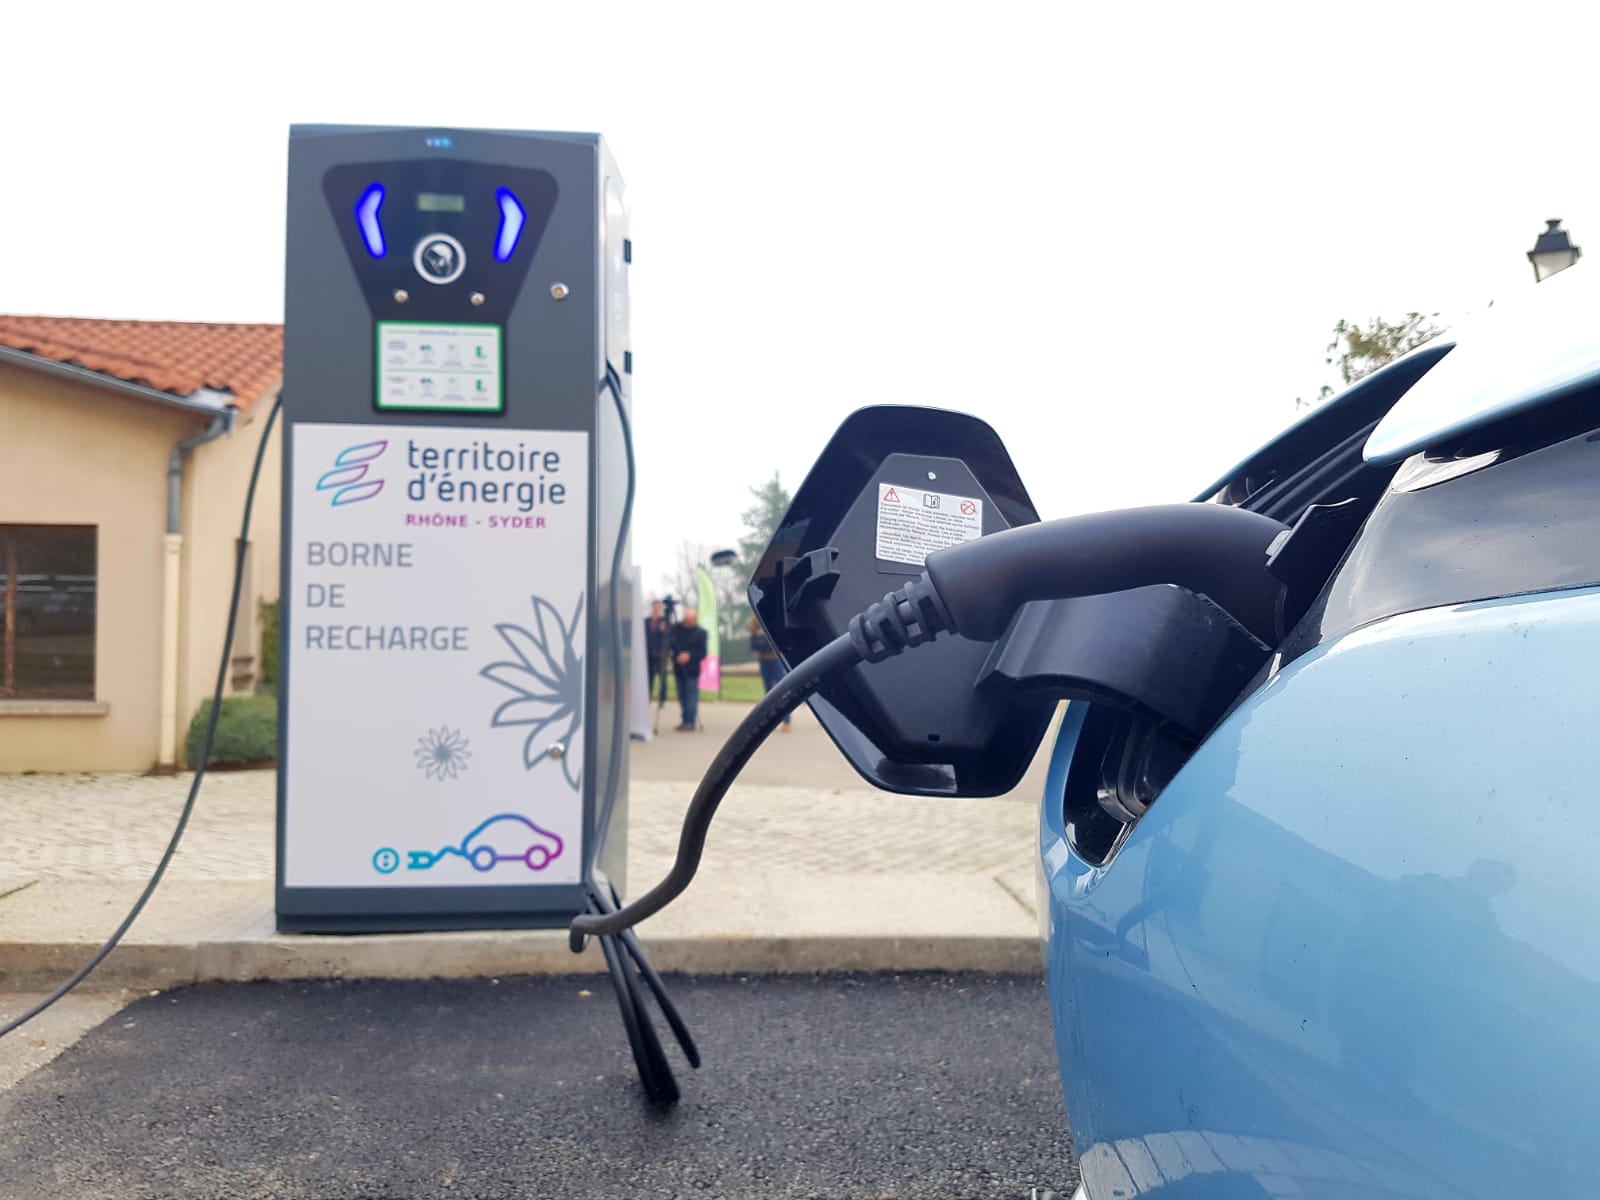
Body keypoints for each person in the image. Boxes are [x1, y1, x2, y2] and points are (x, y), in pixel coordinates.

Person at [751, 614, 791, 731]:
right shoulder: (755, 620)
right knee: (768, 692)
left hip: (775, 659)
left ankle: (786, 720)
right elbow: (753, 643)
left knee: (781, 691)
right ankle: (769, 721)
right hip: (764, 661)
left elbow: (779, 641)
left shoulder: (774, 617)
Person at [670, 609, 708, 731]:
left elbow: (702, 653)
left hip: (692, 670)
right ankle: (684, 719)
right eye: (686, 620)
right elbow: (670, 645)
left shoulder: (701, 633)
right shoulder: (676, 630)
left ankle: (690, 722)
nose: (687, 622)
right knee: (682, 696)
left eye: (690, 620)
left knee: (691, 696)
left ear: (695, 620)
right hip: (678, 669)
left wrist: (689, 656)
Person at [645, 600, 670, 707]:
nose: (656, 609)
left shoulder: (665, 621)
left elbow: (669, 637)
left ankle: (662, 699)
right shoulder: (645, 621)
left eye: (658, 607)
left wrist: (664, 630)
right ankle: (647, 698)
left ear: (661, 609)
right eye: (654, 606)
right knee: (648, 677)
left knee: (662, 678)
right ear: (651, 607)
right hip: (648, 653)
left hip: (661, 654)